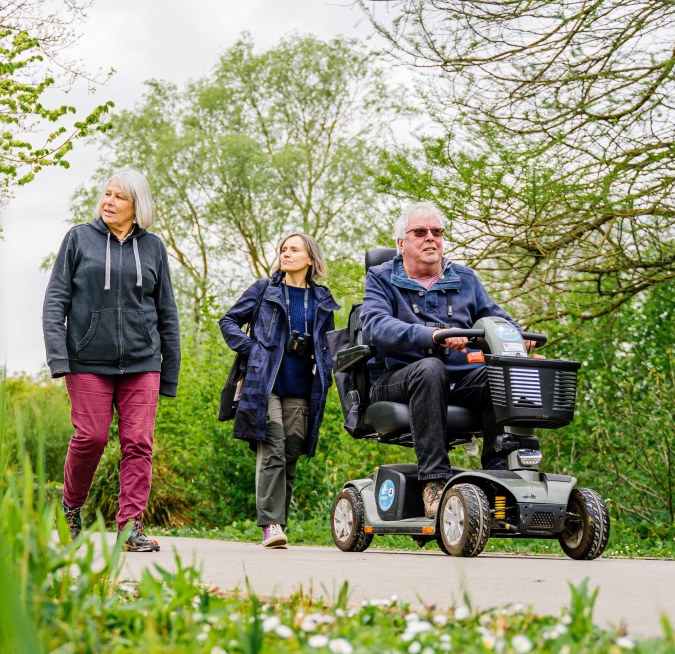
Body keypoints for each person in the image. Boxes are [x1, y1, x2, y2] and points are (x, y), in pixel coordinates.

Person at [42, 168, 181, 552]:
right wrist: (59, 356)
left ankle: (130, 528)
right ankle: (71, 509)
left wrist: (169, 371)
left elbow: (166, 310)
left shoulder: (153, 248)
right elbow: (55, 300)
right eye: (107, 194)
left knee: (138, 442)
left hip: (142, 361)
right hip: (87, 359)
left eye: (119, 197)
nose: (109, 201)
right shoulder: (78, 239)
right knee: (92, 436)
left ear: (137, 206)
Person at [362, 201, 530, 519]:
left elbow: (499, 321)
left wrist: (520, 342)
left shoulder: (465, 279)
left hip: (460, 379)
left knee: (501, 373)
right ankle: (435, 483)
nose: (431, 238)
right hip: (398, 377)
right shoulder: (381, 278)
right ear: (401, 243)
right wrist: (431, 335)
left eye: (437, 232)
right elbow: (376, 326)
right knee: (430, 367)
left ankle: (497, 478)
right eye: (420, 232)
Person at [219, 233, 339, 548]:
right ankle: (270, 525)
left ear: (310, 259)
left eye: (294, 249)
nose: (286, 254)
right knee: (273, 446)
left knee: (292, 448)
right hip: (265, 384)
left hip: (302, 388)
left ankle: (279, 523)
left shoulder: (322, 299)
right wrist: (252, 348)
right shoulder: (264, 290)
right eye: (283, 250)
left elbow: (328, 346)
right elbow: (228, 320)